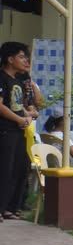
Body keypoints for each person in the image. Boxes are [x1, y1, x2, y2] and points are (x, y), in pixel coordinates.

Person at [0, 42, 33, 221]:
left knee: (19, 169)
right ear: (10, 59)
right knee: (5, 169)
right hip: (5, 131)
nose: (25, 60)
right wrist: (19, 119)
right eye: (21, 57)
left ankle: (9, 207)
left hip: (19, 132)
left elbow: (18, 106)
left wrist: (26, 116)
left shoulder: (18, 80)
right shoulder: (2, 78)